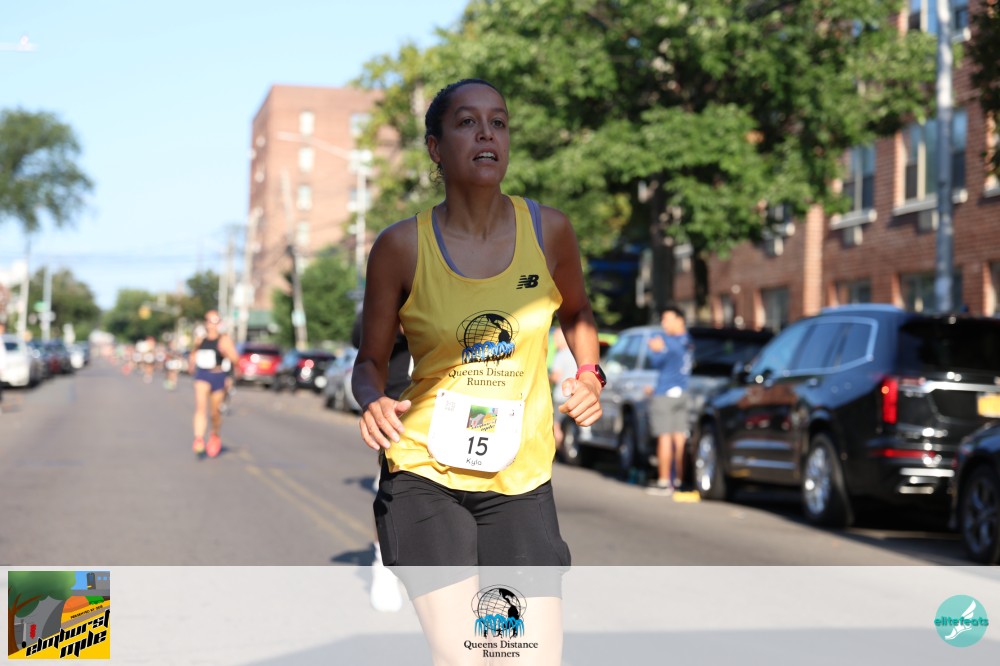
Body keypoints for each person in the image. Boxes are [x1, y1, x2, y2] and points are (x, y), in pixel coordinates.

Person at [353, 78, 604, 664]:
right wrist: (372, 399)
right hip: (424, 473)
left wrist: (590, 373)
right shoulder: (400, 246)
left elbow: (577, 311)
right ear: (435, 147)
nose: (487, 133)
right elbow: (370, 361)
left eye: (499, 122)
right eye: (467, 122)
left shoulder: (549, 231)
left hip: (519, 478)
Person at [351, 311, 410, 613]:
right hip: (398, 410)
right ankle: (384, 565)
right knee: (392, 493)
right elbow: (359, 340)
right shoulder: (397, 299)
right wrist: (397, 319)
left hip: (450, 408)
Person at [645, 305, 693, 495]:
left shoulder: (670, 341)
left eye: (667, 319)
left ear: (680, 320)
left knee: (664, 437)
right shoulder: (688, 340)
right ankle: (679, 481)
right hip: (683, 393)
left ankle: (665, 482)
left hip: (664, 394)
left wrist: (660, 348)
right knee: (679, 438)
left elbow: (656, 360)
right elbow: (660, 361)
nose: (663, 323)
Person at [188, 310, 239, 458]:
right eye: (210, 321)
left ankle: (215, 435)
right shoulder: (200, 339)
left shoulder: (224, 339)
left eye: (216, 321)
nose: (213, 325)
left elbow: (235, 359)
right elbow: (193, 355)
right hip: (203, 374)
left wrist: (226, 352)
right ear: (206, 323)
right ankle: (198, 438)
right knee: (200, 407)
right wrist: (192, 360)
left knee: (215, 413)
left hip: (218, 375)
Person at [548, 327, 577, 450]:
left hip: (561, 396)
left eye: (556, 338)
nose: (554, 341)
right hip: (574, 395)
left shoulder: (561, 354)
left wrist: (546, 379)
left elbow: (556, 376)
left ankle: (555, 450)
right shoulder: (575, 354)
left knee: (556, 425)